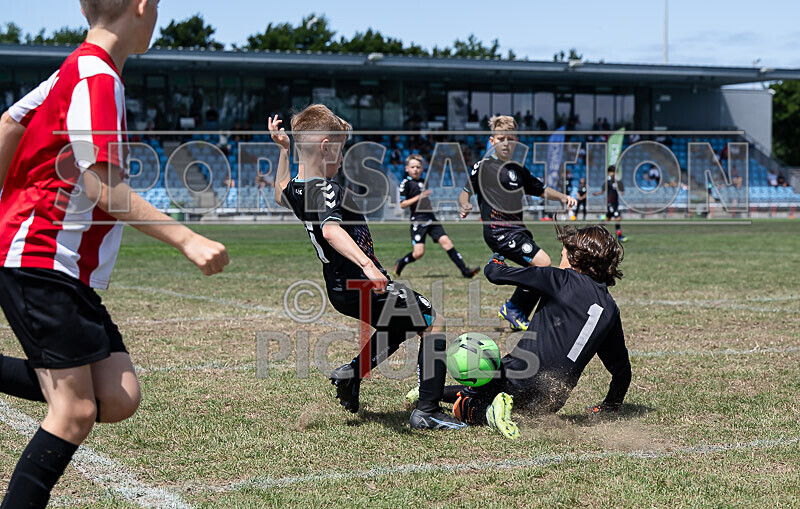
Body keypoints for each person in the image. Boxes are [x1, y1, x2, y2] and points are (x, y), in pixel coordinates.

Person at [0, 2, 230, 506]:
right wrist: (186, 238)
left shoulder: (76, 70)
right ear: (143, 6)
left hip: (60, 265)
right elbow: (103, 188)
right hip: (42, 256)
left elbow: (10, 123)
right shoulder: (96, 77)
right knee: (74, 411)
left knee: (118, 395)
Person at [270, 107, 464, 430]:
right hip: (360, 282)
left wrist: (283, 150)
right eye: (341, 149)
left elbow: (279, 191)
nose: (342, 158)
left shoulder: (299, 189)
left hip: (339, 289)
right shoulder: (327, 189)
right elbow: (331, 231)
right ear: (325, 147)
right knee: (432, 321)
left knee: (399, 325)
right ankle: (427, 411)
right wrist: (368, 265)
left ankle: (351, 374)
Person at [409, 224, 631, 439]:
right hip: (550, 399)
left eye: (562, 255)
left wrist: (497, 259)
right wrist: (610, 405)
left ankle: (487, 414)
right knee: (486, 390)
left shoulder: (560, 279)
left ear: (576, 259)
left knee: (466, 403)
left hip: (517, 377)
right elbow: (622, 371)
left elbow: (495, 274)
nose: (560, 260)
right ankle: (433, 392)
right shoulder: (610, 309)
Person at [458, 115, 576, 331]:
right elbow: (465, 192)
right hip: (498, 231)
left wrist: (563, 197)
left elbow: (541, 190)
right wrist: (465, 204)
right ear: (492, 141)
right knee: (543, 264)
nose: (506, 143)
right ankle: (511, 302)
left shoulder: (518, 170)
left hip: (518, 230)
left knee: (538, 269)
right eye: (501, 139)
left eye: (510, 139)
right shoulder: (484, 167)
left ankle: (515, 307)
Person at [393, 154, 479, 278]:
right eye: (412, 167)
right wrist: (419, 197)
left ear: (422, 169)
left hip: (431, 218)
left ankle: (465, 271)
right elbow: (402, 204)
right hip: (418, 220)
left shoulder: (424, 182)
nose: (415, 169)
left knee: (447, 242)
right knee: (418, 253)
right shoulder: (405, 184)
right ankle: (401, 263)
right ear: (407, 168)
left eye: (418, 167)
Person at [593, 165, 627, 242]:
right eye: (611, 172)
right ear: (609, 173)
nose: (612, 173)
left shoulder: (618, 182)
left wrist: (622, 191)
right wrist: (596, 194)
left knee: (607, 219)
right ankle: (619, 236)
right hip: (610, 203)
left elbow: (622, 190)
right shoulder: (607, 182)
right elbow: (602, 191)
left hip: (616, 203)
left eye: (614, 172)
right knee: (617, 218)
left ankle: (595, 230)